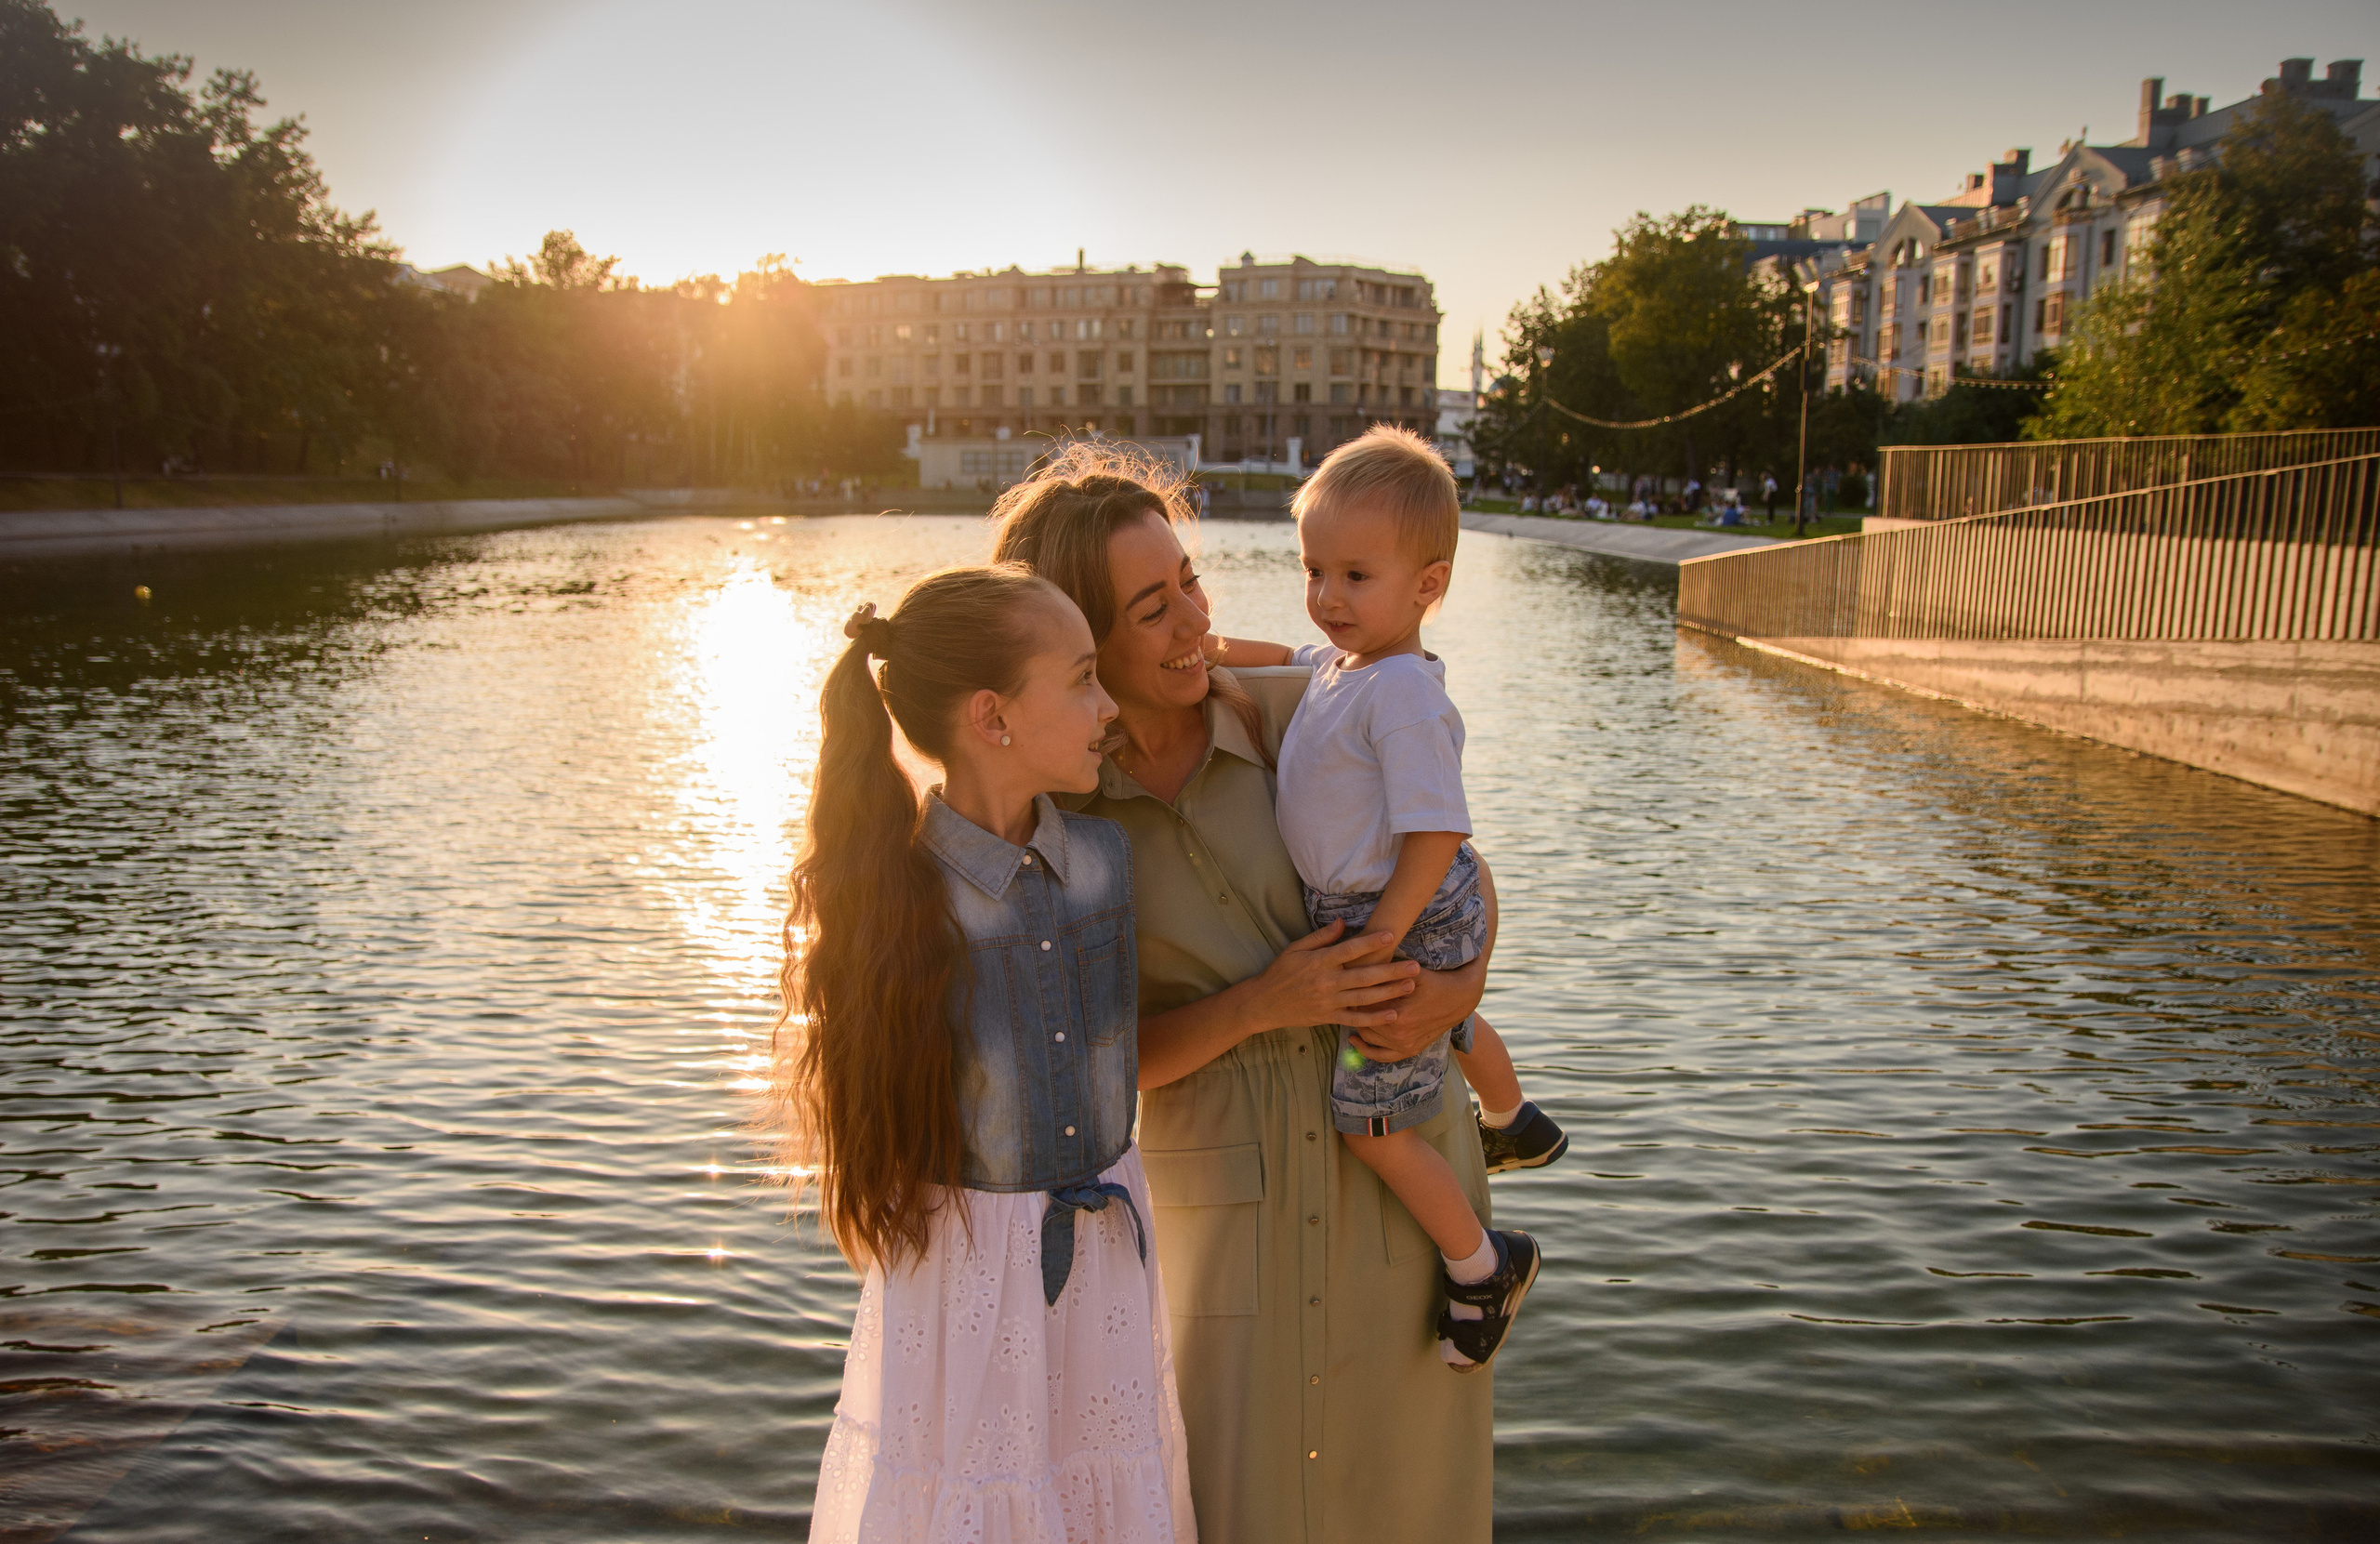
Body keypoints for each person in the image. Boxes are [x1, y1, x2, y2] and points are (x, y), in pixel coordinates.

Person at [992, 450, 1497, 1543]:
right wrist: (1263, 1002)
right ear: (1079, 640)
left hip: (1393, 1162)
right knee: (1230, 1507)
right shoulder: (1059, 822)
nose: (1192, 621)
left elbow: (1458, 864)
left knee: (1413, 1499)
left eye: (1190, 582)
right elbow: (1077, 1073)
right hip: (1218, 1214)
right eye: (1149, 607)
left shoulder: (1297, 708)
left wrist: (1455, 985)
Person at [782, 564, 1196, 1543]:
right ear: (992, 717)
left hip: (1105, 1244)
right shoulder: (900, 891)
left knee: (1104, 1482)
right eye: (1084, 679)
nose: (1107, 704)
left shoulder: (1104, 855)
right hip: (970, 1264)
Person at [1204, 428, 1562, 1372]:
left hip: (1403, 909)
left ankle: (1484, 1264)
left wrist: (1385, 940)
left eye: (1355, 575)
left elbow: (1439, 829)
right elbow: (1280, 649)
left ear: (1427, 586)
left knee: (1369, 1124)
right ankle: (1511, 1117)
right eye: (1314, 568)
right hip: (1388, 907)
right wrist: (1201, 651)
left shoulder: (1401, 691)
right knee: (1432, 1022)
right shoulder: (1341, 665)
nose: (1326, 597)